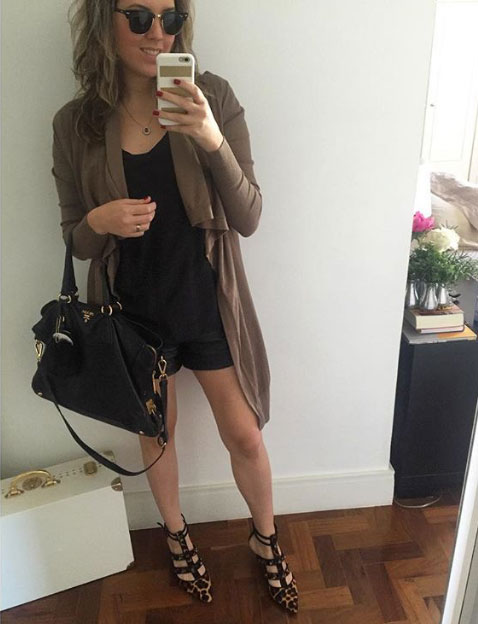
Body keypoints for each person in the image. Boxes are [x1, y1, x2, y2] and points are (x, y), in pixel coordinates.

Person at [52, 0, 298, 613]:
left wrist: (211, 138)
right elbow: (73, 238)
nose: (157, 33)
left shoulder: (213, 96)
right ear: (105, 22)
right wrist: (98, 221)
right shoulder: (77, 122)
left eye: (171, 18)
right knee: (157, 435)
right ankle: (176, 533)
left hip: (205, 299)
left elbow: (249, 216)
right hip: (130, 312)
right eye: (138, 17)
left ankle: (266, 537)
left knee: (245, 435)